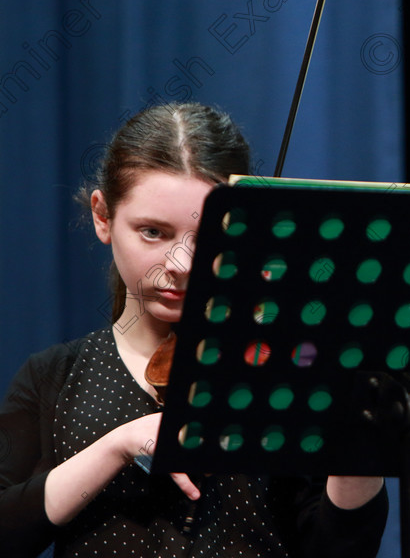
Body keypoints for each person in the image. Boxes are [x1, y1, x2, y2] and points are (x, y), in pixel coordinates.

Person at [0, 103, 388, 557]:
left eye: (208, 236)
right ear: (103, 217)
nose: (181, 265)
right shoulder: (53, 378)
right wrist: (118, 446)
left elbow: (339, 550)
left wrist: (362, 444)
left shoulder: (287, 372)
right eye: (152, 232)